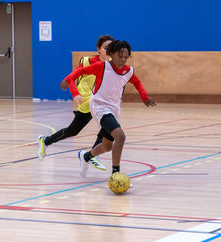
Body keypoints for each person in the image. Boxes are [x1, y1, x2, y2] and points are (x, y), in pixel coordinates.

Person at [60, 40, 156, 177]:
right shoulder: (102, 66)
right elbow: (81, 71)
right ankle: (116, 174)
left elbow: (137, 82)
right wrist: (67, 80)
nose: (123, 60)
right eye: (120, 56)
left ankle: (86, 157)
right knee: (120, 136)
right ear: (111, 54)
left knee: (106, 146)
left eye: (126, 57)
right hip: (99, 107)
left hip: (114, 109)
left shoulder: (128, 71)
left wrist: (144, 97)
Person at [38, 35, 115, 171]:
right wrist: (75, 93)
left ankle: (93, 154)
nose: (108, 51)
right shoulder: (86, 62)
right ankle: (46, 141)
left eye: (111, 48)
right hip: (85, 102)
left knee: (108, 125)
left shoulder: (111, 65)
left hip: (98, 102)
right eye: (105, 48)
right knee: (72, 131)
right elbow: (71, 79)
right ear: (98, 49)